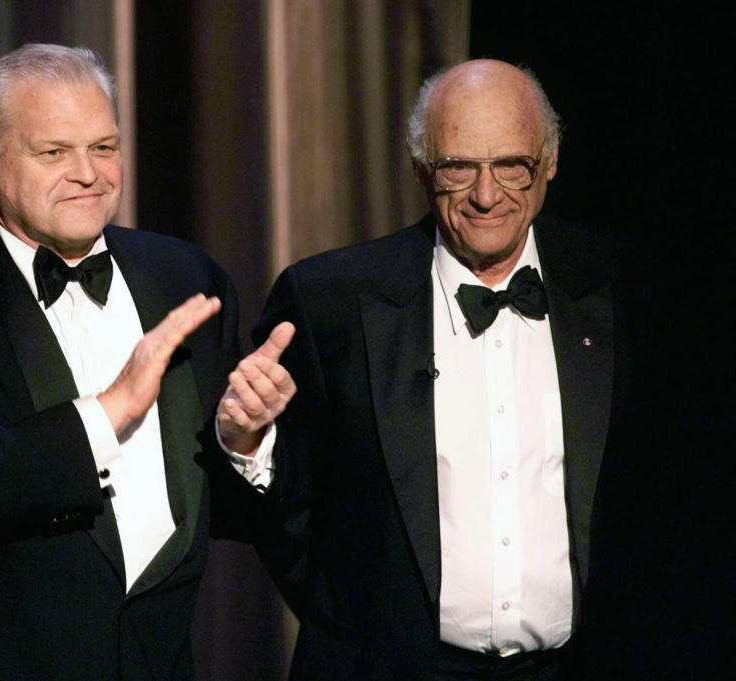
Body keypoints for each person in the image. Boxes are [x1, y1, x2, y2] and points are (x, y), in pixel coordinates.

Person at [0, 43, 293, 681]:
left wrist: (242, 441)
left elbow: (218, 512)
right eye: (54, 152)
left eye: (103, 147)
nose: (89, 173)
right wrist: (104, 415)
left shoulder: (182, 274)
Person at [251, 59, 633, 680]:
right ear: (421, 170)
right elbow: (283, 515)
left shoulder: (616, 286)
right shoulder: (328, 302)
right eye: (458, 167)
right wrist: (246, 444)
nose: (487, 196)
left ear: (550, 162)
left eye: (512, 165)